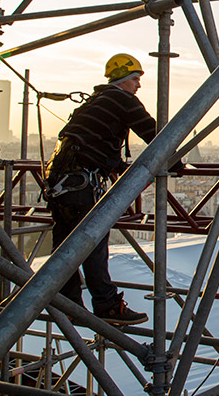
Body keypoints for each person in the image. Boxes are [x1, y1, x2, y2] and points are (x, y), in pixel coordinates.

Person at [43, 53, 156, 326]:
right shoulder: (123, 100)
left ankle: (69, 304)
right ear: (124, 80)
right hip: (80, 184)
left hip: (59, 182)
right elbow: (156, 134)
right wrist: (173, 162)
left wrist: (118, 165)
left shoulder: (94, 102)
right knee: (93, 245)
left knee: (65, 246)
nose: (138, 86)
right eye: (135, 80)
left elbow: (93, 145)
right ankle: (107, 306)